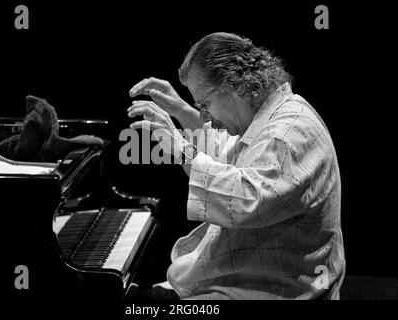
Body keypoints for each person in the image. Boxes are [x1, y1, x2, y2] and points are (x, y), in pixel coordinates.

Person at [127, 32, 345, 300]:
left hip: (281, 292)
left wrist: (181, 148)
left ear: (233, 83)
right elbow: (222, 154)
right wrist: (182, 110)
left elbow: (244, 200)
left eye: (205, 103)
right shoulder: (272, 115)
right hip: (256, 279)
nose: (206, 117)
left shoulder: (288, 132)